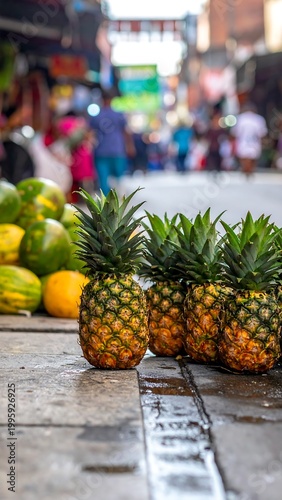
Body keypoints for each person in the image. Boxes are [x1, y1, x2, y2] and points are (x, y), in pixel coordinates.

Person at [89, 89, 135, 195]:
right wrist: (130, 146)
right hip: (117, 150)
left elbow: (90, 134)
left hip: (100, 151)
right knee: (118, 177)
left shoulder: (95, 117)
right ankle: (118, 200)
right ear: (112, 100)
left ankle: (106, 203)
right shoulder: (119, 115)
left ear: (101, 100)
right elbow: (126, 132)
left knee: (103, 179)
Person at [231, 101, 268, 175]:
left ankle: (247, 171)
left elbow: (235, 133)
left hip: (243, 143)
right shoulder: (259, 119)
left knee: (246, 157)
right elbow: (262, 134)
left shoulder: (240, 118)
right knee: (251, 157)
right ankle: (248, 171)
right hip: (254, 143)